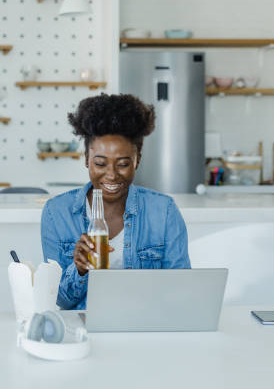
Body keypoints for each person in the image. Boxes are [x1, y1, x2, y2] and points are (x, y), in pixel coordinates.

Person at [41, 94, 190, 310]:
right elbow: (59, 300)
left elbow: (182, 290)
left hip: (144, 327)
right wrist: (80, 269)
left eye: (122, 164)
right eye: (100, 164)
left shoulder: (164, 211)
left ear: (137, 159)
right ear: (86, 159)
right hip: (84, 330)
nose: (111, 175)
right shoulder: (57, 213)